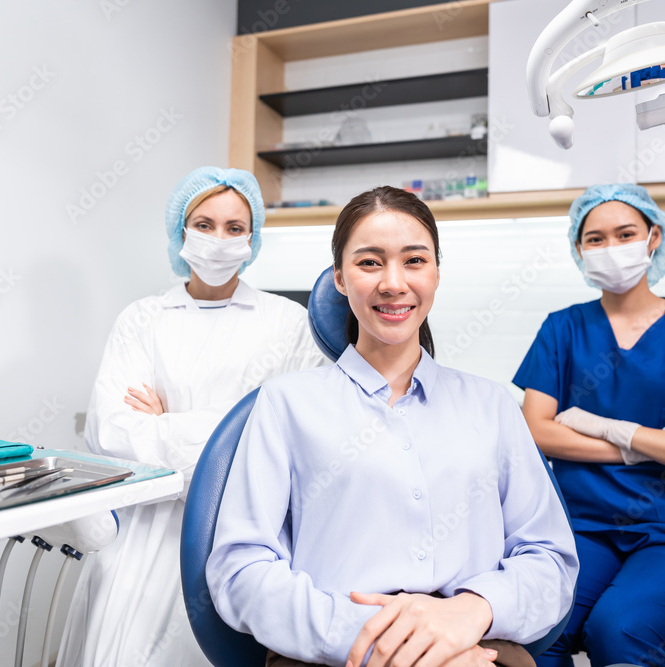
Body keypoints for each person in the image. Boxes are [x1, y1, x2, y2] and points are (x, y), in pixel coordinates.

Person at [207, 186, 579, 667]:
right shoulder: (286, 404)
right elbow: (241, 571)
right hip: (335, 652)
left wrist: (470, 613)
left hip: (476, 647)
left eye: (415, 260)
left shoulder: (493, 406)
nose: (393, 282)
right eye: (369, 263)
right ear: (340, 278)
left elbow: (551, 561)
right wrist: (385, 640)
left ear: (437, 274)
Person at [58, 167, 328, 667]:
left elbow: (293, 435)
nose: (218, 240)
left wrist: (166, 422)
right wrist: (234, 428)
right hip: (144, 529)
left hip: (242, 527)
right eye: (203, 224)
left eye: (234, 227)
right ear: (180, 229)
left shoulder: (290, 323)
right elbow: (111, 430)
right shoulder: (143, 319)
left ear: (253, 237)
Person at [513, 184, 665, 667]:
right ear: (579, 249)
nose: (611, 248)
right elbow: (536, 431)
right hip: (585, 528)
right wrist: (657, 444)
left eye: (625, 234)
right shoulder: (561, 329)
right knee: (533, 627)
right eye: (595, 239)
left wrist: (609, 428)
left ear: (653, 237)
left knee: (622, 628)